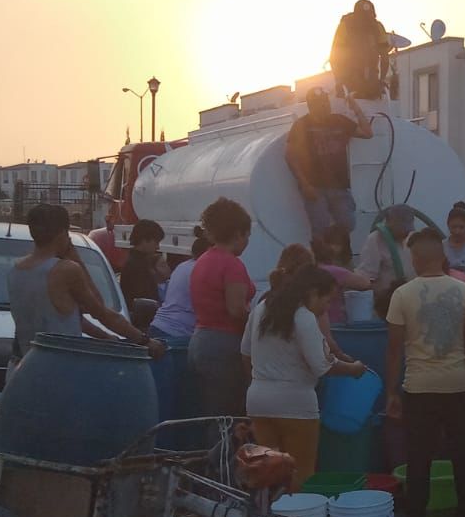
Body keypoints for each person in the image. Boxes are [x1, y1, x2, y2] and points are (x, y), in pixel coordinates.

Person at [384, 229, 465, 517]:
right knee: (464, 456)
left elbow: (394, 350)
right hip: (458, 384)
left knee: (419, 459)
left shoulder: (402, 295)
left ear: (415, 259)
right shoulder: (464, 291)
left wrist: (391, 392)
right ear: (442, 257)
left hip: (419, 386)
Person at [241, 265, 368, 481]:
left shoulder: (261, 308)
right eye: (326, 301)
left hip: (258, 402)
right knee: (299, 474)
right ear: (312, 293)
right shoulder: (304, 317)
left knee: (265, 475)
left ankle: (265, 514)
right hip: (296, 405)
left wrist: (257, 382)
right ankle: (297, 514)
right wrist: (353, 369)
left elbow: (245, 353)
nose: (325, 308)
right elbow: (322, 366)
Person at [8, 203, 162, 361]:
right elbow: (101, 311)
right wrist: (145, 341)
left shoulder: (16, 269)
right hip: (57, 368)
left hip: (22, 365)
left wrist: (105, 337)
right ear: (63, 233)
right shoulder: (66, 270)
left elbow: (64, 318)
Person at [285, 87, 372, 257]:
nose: (324, 106)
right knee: (320, 228)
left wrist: (355, 106)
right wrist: (304, 184)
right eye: (319, 104)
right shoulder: (301, 125)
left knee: (348, 223)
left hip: (339, 185)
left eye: (326, 102)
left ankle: (344, 259)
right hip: (315, 187)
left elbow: (368, 133)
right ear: (311, 106)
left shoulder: (339, 121)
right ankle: (321, 264)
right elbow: (289, 155)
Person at [189, 197, 255, 418]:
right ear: (238, 233)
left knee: (209, 413)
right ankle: (221, 454)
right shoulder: (232, 264)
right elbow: (236, 309)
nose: (247, 242)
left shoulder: (203, 260)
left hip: (200, 340)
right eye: (247, 236)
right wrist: (261, 325)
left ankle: (207, 451)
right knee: (227, 417)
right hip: (224, 346)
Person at [149, 236, 209, 420]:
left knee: (164, 397)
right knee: (183, 398)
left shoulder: (183, 267)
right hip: (179, 337)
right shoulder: (202, 269)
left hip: (159, 328)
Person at [330, 0, 391, 99]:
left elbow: (385, 57)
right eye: (363, 18)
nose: (366, 22)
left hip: (371, 78)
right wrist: (339, 81)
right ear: (356, 16)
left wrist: (382, 80)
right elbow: (335, 57)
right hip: (349, 78)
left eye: (370, 17)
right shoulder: (345, 26)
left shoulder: (377, 27)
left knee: (374, 108)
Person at [359, 204, 416, 297]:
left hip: (412, 296)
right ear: (389, 222)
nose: (406, 231)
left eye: (408, 225)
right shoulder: (375, 239)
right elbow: (366, 279)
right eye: (401, 225)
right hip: (387, 299)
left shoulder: (413, 237)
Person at [119, 218, 170, 318]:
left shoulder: (141, 262)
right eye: (156, 242)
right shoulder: (136, 266)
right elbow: (145, 301)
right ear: (144, 240)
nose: (158, 247)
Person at [444, 206, 465, 270]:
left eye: (461, 227)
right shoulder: (442, 247)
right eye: (454, 227)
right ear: (448, 225)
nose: (457, 231)